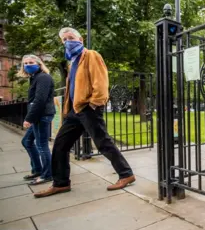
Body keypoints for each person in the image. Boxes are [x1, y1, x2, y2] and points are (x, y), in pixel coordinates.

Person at [34, 27, 135, 198]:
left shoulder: (91, 55)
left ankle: (126, 174)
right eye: (64, 39)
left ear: (80, 40)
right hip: (75, 110)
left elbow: (101, 81)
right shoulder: (72, 61)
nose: (68, 41)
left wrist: (95, 103)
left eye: (71, 37)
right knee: (60, 145)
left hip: (88, 108)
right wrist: (68, 108)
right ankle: (61, 183)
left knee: (103, 142)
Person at [20, 55, 55, 185]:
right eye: (25, 63)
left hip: (42, 115)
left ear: (39, 63)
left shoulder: (43, 77)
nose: (28, 65)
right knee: (27, 141)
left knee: (42, 145)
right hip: (39, 115)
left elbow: (40, 100)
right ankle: (37, 169)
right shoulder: (35, 77)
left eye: (31, 62)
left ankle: (47, 175)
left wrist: (29, 119)